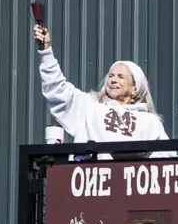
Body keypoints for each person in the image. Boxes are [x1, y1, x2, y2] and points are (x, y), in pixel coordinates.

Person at [33, 23, 168, 145]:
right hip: (90, 171)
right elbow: (57, 90)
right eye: (111, 76)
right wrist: (46, 51)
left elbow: (166, 159)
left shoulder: (150, 122)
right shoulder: (88, 106)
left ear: (135, 89)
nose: (113, 80)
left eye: (121, 77)